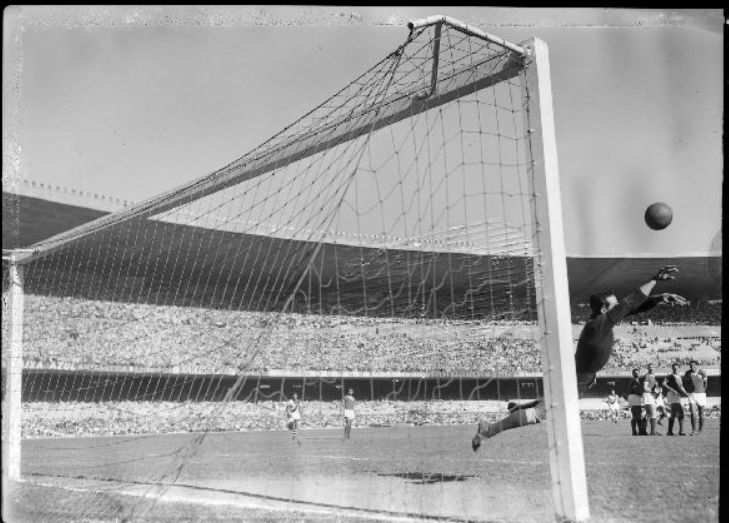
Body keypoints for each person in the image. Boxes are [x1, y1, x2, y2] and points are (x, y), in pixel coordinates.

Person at [472, 266, 687, 451]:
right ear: (604, 308)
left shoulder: (601, 320)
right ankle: (489, 430)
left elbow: (631, 308)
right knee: (540, 415)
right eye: (614, 305)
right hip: (577, 378)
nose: (618, 307)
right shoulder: (598, 325)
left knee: (547, 408)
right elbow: (630, 303)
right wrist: (655, 280)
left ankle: (517, 410)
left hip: (577, 375)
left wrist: (660, 298)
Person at [663, 362, 689, 436]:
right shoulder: (670, 376)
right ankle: (681, 431)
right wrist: (672, 390)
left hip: (678, 395)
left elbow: (681, 387)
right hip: (672, 394)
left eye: (677, 367)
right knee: (680, 412)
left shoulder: (679, 377)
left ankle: (670, 432)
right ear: (672, 368)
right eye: (674, 367)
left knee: (673, 414)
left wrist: (686, 393)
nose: (675, 368)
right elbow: (664, 384)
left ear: (679, 368)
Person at [683, 360, 708, 435]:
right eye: (690, 365)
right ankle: (694, 430)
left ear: (696, 365)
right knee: (693, 413)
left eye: (693, 365)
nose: (692, 366)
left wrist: (703, 391)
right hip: (691, 394)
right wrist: (688, 390)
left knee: (701, 413)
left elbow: (706, 383)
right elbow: (685, 383)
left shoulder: (701, 372)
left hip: (701, 394)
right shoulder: (687, 373)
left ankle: (700, 430)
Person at [641, 364, 661, 435]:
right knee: (653, 412)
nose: (651, 368)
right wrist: (653, 391)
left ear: (655, 368)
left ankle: (643, 430)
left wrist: (657, 391)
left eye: (653, 367)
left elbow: (654, 387)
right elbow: (645, 387)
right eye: (650, 367)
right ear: (648, 368)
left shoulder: (653, 376)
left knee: (648, 414)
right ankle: (652, 431)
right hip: (648, 395)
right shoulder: (647, 376)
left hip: (651, 396)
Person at [627, 368, 647, 436]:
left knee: (635, 415)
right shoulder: (633, 380)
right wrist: (642, 393)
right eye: (635, 373)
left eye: (638, 372)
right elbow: (635, 389)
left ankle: (634, 431)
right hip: (634, 397)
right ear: (633, 374)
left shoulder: (636, 380)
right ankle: (640, 430)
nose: (637, 374)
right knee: (637, 414)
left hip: (633, 397)